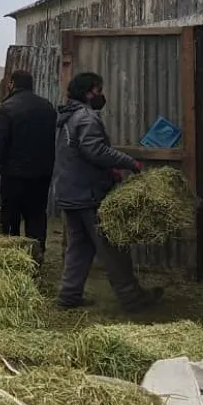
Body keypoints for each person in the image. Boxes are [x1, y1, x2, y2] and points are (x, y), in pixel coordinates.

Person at [53, 71, 164, 312]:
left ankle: (69, 295)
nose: (101, 95)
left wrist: (108, 172)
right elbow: (96, 151)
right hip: (88, 194)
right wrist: (128, 163)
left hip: (70, 192)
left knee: (79, 246)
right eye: (98, 90)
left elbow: (79, 154)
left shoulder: (67, 117)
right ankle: (132, 298)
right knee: (113, 245)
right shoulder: (86, 118)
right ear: (88, 92)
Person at [0, 70, 56, 267]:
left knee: (10, 217)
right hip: (41, 175)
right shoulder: (47, 107)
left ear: (12, 84)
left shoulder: (6, 108)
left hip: (15, 176)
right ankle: (36, 259)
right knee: (37, 216)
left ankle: (12, 260)